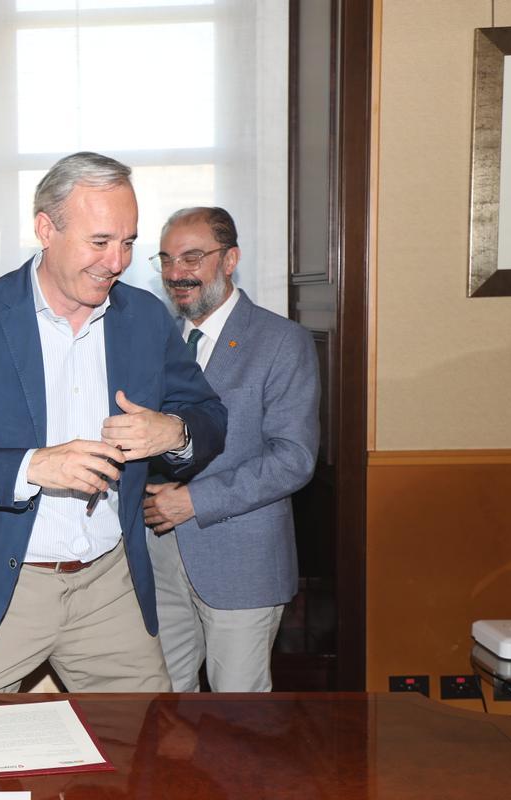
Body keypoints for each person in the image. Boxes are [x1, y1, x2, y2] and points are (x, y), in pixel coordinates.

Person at [0, 152, 227, 693]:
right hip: (0, 587)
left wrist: (175, 433)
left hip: (109, 586)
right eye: (99, 242)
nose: (116, 262)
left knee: (143, 762)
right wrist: (33, 466)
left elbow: (210, 416)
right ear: (46, 229)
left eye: (128, 242)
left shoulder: (144, 319)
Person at [144, 206, 319, 693]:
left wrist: (194, 501)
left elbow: (294, 457)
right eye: (167, 259)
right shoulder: (158, 340)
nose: (177, 273)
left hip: (242, 562)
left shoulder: (282, 341)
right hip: (160, 556)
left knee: (238, 727)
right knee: (166, 714)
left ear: (230, 259)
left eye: (193, 257)